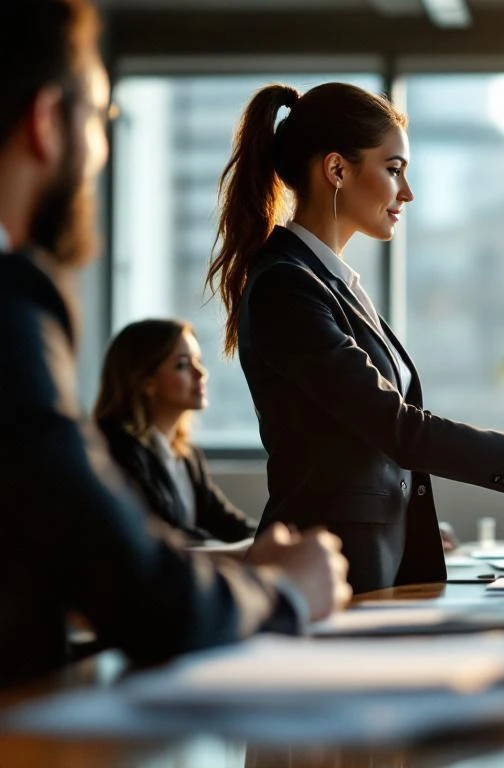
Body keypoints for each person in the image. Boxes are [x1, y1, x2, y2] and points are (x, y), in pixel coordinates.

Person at [0, 0, 350, 684]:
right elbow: (135, 588)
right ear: (46, 124)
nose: (101, 152)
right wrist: (283, 592)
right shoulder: (10, 306)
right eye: (102, 121)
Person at [204, 82, 504, 594]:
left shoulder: (328, 283)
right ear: (337, 170)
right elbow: (398, 429)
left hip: (373, 562)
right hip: (329, 567)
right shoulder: (286, 285)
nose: (406, 193)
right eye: (393, 170)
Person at [93, 318, 257, 544]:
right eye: (182, 364)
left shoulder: (188, 456)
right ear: (146, 381)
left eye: (198, 361)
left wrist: (276, 541)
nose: (201, 374)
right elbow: (167, 533)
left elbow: (226, 523)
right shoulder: (116, 449)